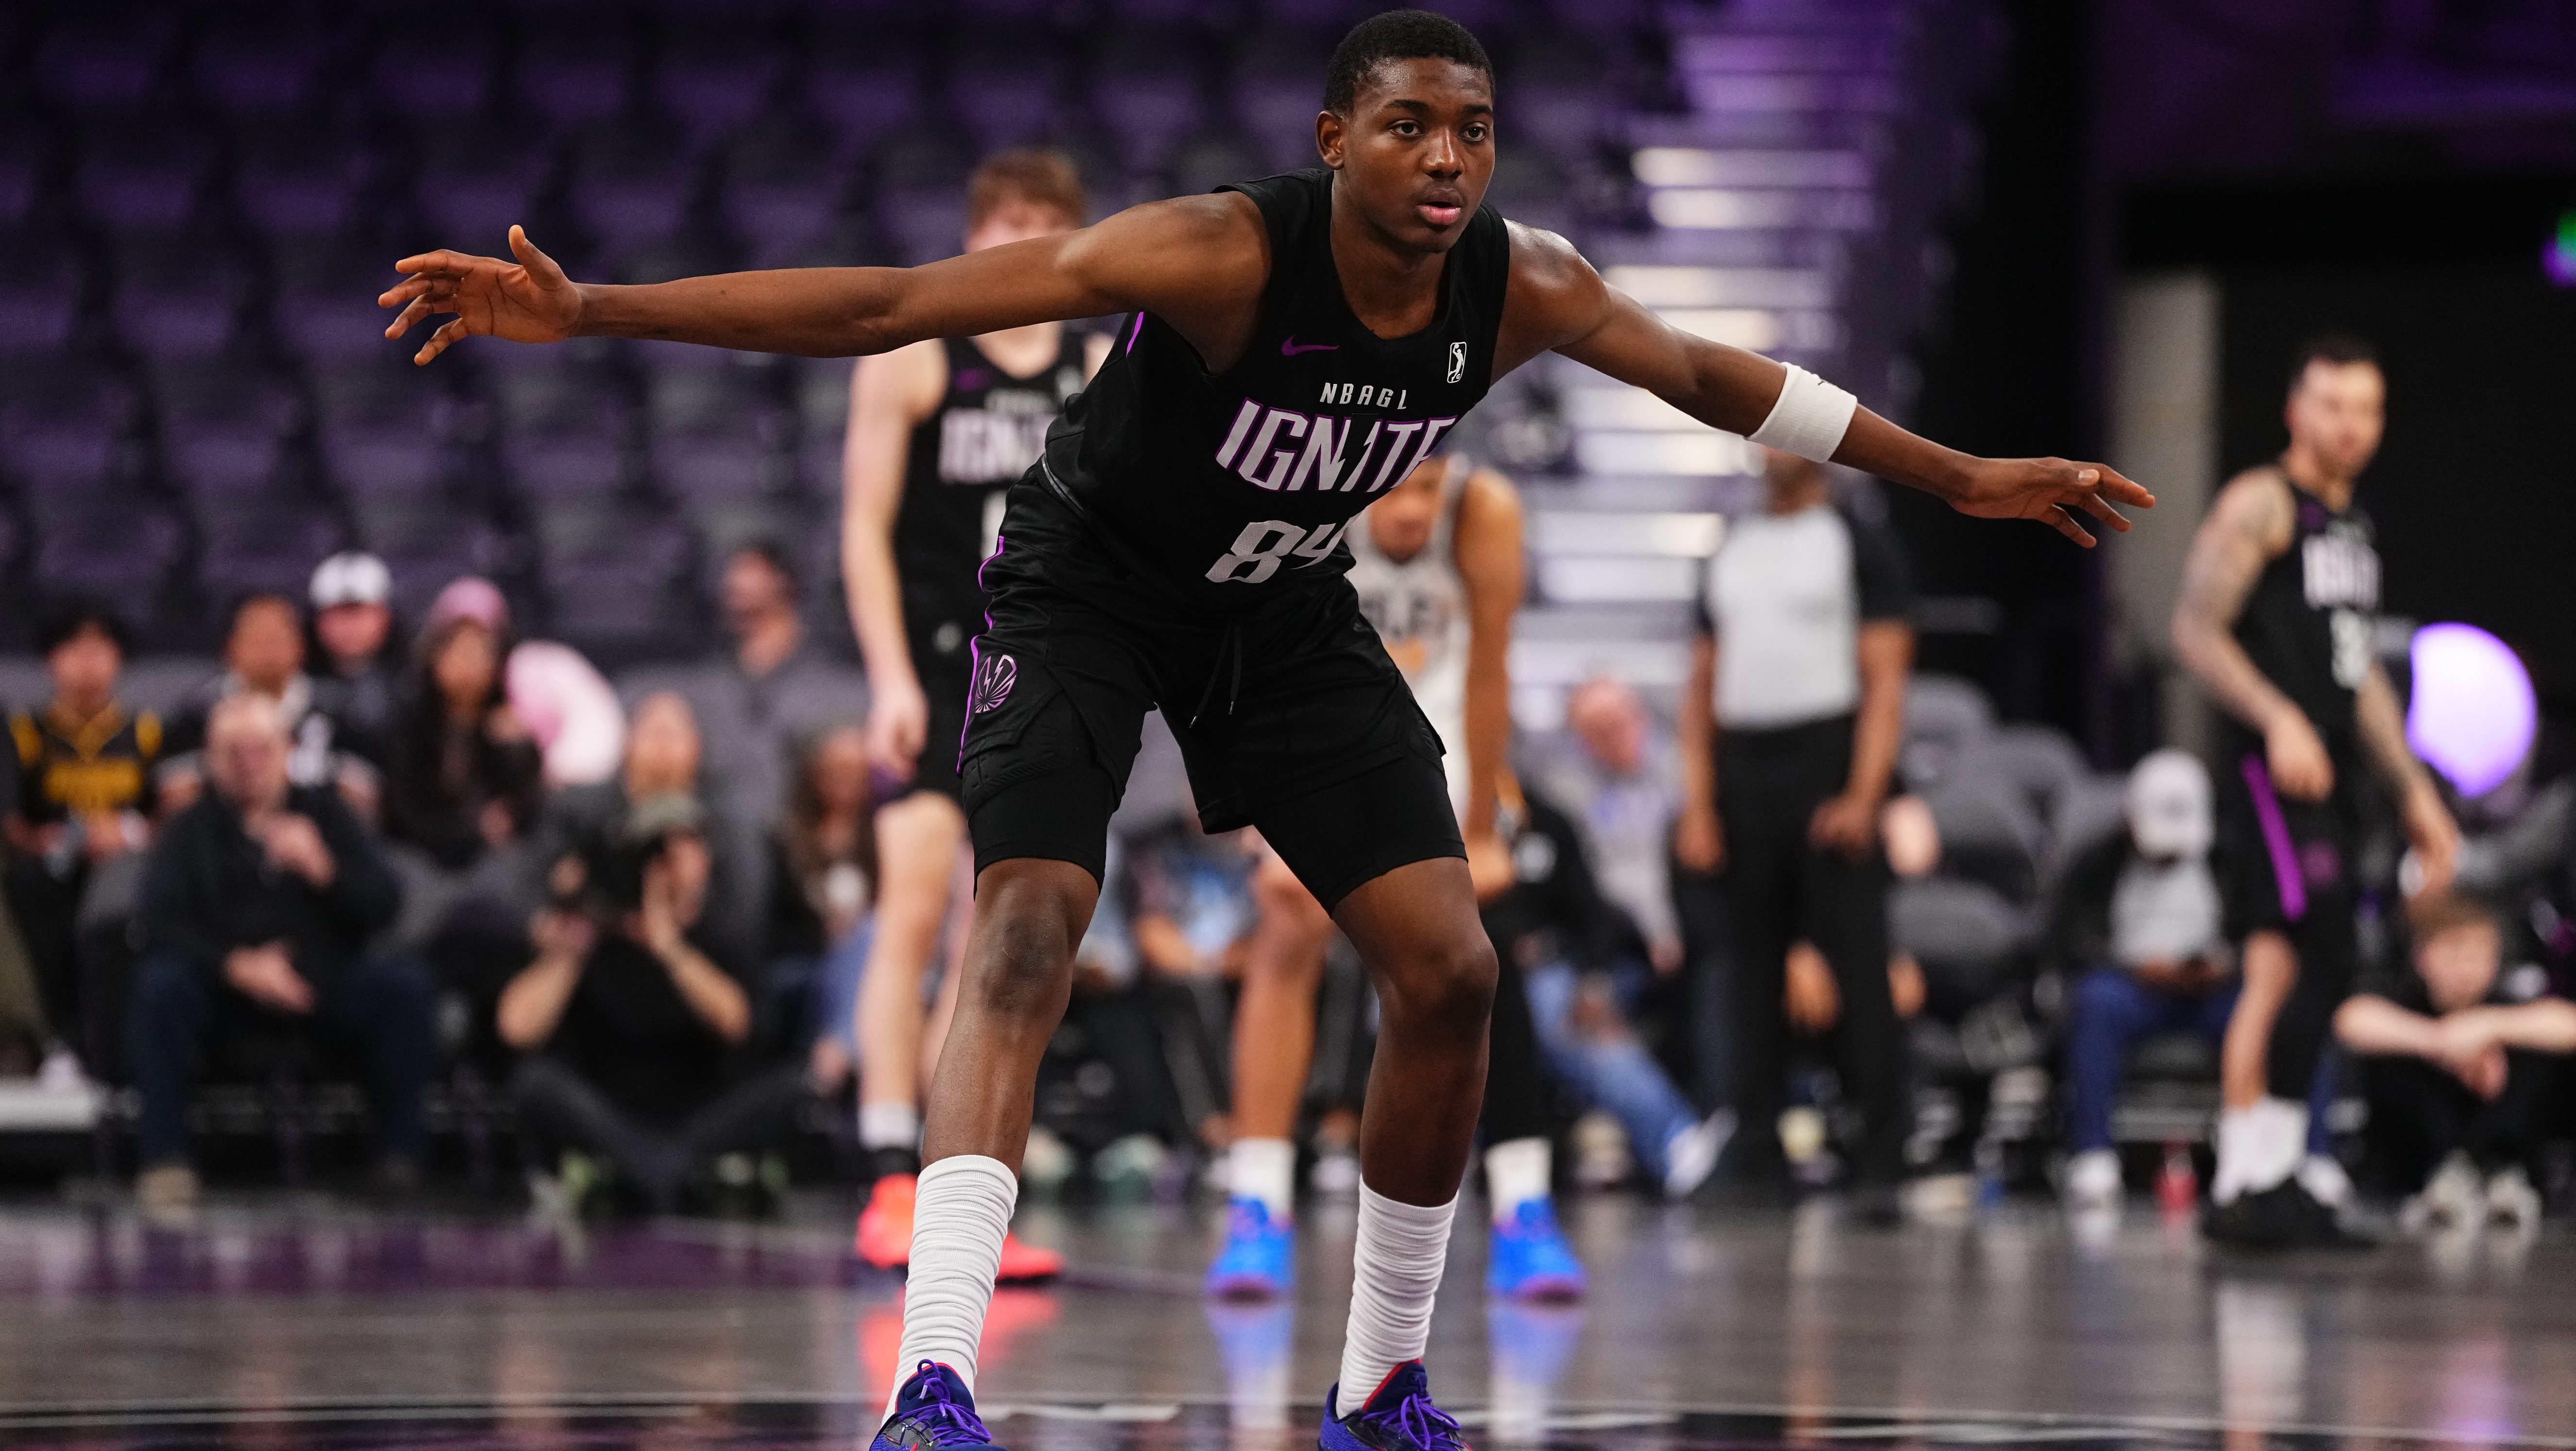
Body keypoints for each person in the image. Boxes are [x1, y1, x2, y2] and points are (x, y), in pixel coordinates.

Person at [379, 9, 2149, 1441]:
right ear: (1333, 142)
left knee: (1451, 971)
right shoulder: (1219, 253)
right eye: (1408, 126)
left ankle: (1379, 1388)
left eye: (1472, 129)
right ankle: (931, 1384)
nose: (1446, 156)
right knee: (1027, 927)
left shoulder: (1517, 286)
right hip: (1084, 587)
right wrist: (590, 309)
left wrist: (1956, 475)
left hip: (1277, 604)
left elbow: (1709, 375)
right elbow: (898, 307)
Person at [1208, 451, 1586, 1304]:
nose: (1412, 509)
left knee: (1483, 942)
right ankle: (1256, 1200)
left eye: (1428, 486)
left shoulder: (1484, 508)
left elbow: (1489, 668)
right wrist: (1259, 799)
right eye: (1397, 487)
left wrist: (1482, 829)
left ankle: (1524, 1203)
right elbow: (1255, 647)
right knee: (1286, 917)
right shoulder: (1309, 491)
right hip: (1322, 744)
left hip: (1439, 751)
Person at [836, 149, 1105, 1280]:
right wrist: (889, 677)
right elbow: (863, 528)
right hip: (939, 661)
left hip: (1038, 666)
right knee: (909, 902)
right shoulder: (918, 354)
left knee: (989, 933)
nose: (1019, 234)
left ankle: (953, 1184)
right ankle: (886, 1168)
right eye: (1002, 218)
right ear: (970, 234)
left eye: (1043, 217)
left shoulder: (1098, 362)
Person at [2171, 332, 2459, 1248]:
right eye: (2333, 405)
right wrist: (2278, 717)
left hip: (2334, 773)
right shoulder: (2261, 503)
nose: (2350, 425)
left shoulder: (2352, 528)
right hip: (2272, 771)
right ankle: (2251, 1175)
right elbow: (2194, 630)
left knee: (2295, 966)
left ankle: (2272, 1174)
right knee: (2306, 957)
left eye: (2367, 409)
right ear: (2296, 410)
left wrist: (2414, 791)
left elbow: (2358, 670)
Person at [1676, 445, 1917, 1218]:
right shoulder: (1730, 546)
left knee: (1858, 966)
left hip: (1828, 757)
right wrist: (1699, 803)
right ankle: (1755, 1150)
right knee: (1749, 970)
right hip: (1746, 764)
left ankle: (1879, 1157)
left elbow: (1885, 680)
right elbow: (1701, 682)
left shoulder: (1856, 541)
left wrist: (1864, 793)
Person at [129, 693, 429, 1210]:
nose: (248, 764)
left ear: (287, 751)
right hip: (224, 991)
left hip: (321, 983)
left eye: (261, 750)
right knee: (159, 988)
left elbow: (384, 904)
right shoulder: (189, 829)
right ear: (210, 760)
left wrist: (325, 870)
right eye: (233, 752)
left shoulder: (328, 815)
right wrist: (236, 966)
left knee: (404, 987)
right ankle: (166, 1160)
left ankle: (398, 1157)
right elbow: (158, 923)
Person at [499, 794, 811, 1217]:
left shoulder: (723, 935)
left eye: (683, 848)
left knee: (794, 1086)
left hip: (700, 1114)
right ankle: (660, 1169)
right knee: (535, 1083)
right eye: (656, 853)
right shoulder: (595, 937)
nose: (667, 866)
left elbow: (739, 1025)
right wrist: (578, 937)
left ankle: (657, 1167)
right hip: (611, 1111)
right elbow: (517, 1029)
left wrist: (668, 946)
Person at [2054, 751, 2331, 1210]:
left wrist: (2224, 965)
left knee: (2295, 1013)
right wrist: (2134, 966)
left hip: (2215, 993)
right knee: (2094, 1002)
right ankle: (2092, 1155)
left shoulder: (2231, 860)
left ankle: (2313, 1157)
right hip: (2132, 990)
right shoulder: (2096, 864)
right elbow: (2069, 943)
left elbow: (2262, 933)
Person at [2334, 892, 2574, 1230]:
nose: (2465, 968)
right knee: (2395, 1059)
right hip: (2410, 1172)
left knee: (2537, 1055)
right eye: (2453, 953)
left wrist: (2488, 1029)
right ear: (2422, 957)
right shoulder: (2399, 999)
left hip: (2501, 1154)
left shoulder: (2507, 1006)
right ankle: (2443, 1177)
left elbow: (2566, 1024)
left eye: (2477, 955)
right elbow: (2351, 1019)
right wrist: (2440, 1043)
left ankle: (2501, 1171)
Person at [6, 604, 160, 1063]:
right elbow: (11, 817)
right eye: (73, 648)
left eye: (100, 648)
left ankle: (123, 1039)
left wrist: (127, 834)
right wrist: (43, 841)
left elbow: (168, 813)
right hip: (51, 867)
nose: (88, 660)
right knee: (29, 887)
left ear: (119, 659)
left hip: (127, 862)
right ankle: (56, 1037)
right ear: (50, 660)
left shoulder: (146, 731)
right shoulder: (26, 731)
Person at [160, 592, 375, 816]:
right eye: (257, 640)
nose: (268, 652)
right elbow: (172, 786)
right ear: (231, 647)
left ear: (300, 647)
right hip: (220, 826)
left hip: (315, 826)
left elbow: (366, 788)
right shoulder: (200, 711)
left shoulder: (333, 709)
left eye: (277, 640)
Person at [385, 593, 544, 872]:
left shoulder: (508, 727)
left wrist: (517, 750)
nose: (468, 666)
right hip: (421, 856)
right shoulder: (411, 727)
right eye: (458, 653)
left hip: (495, 860)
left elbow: (529, 810)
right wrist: (468, 829)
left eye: (479, 655)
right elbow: (401, 812)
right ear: (434, 659)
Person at [769, 723, 879, 1091]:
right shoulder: (786, 840)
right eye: (837, 770)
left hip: (867, 963)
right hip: (804, 964)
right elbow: (772, 927)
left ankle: (837, 1055)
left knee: (869, 936)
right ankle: (836, 1056)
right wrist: (823, 932)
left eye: (856, 771)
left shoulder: (880, 837)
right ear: (816, 774)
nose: (846, 781)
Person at [307, 551, 403, 772]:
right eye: (338, 614)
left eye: (358, 613)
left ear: (384, 617)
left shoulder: (411, 685)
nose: (350, 627)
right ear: (319, 622)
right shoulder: (300, 685)